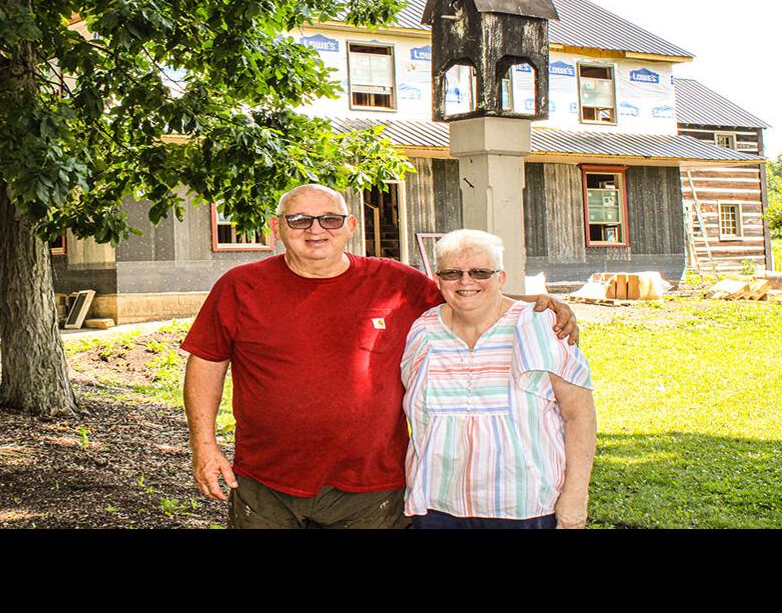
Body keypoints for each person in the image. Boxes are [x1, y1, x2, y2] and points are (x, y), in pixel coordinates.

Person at [181, 184, 579, 529]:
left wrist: (535, 302)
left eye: (330, 219)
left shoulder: (395, 282)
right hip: (266, 481)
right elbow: (206, 362)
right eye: (299, 220)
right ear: (276, 227)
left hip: (372, 486)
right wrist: (204, 445)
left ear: (350, 226)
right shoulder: (240, 286)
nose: (316, 230)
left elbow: (463, 295)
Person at [401, 229, 597, 529]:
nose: (465, 281)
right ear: (437, 280)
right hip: (437, 506)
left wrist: (575, 498)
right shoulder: (422, 330)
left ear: (501, 277)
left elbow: (578, 415)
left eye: (480, 272)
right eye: (452, 273)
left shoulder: (538, 324)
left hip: (524, 508)